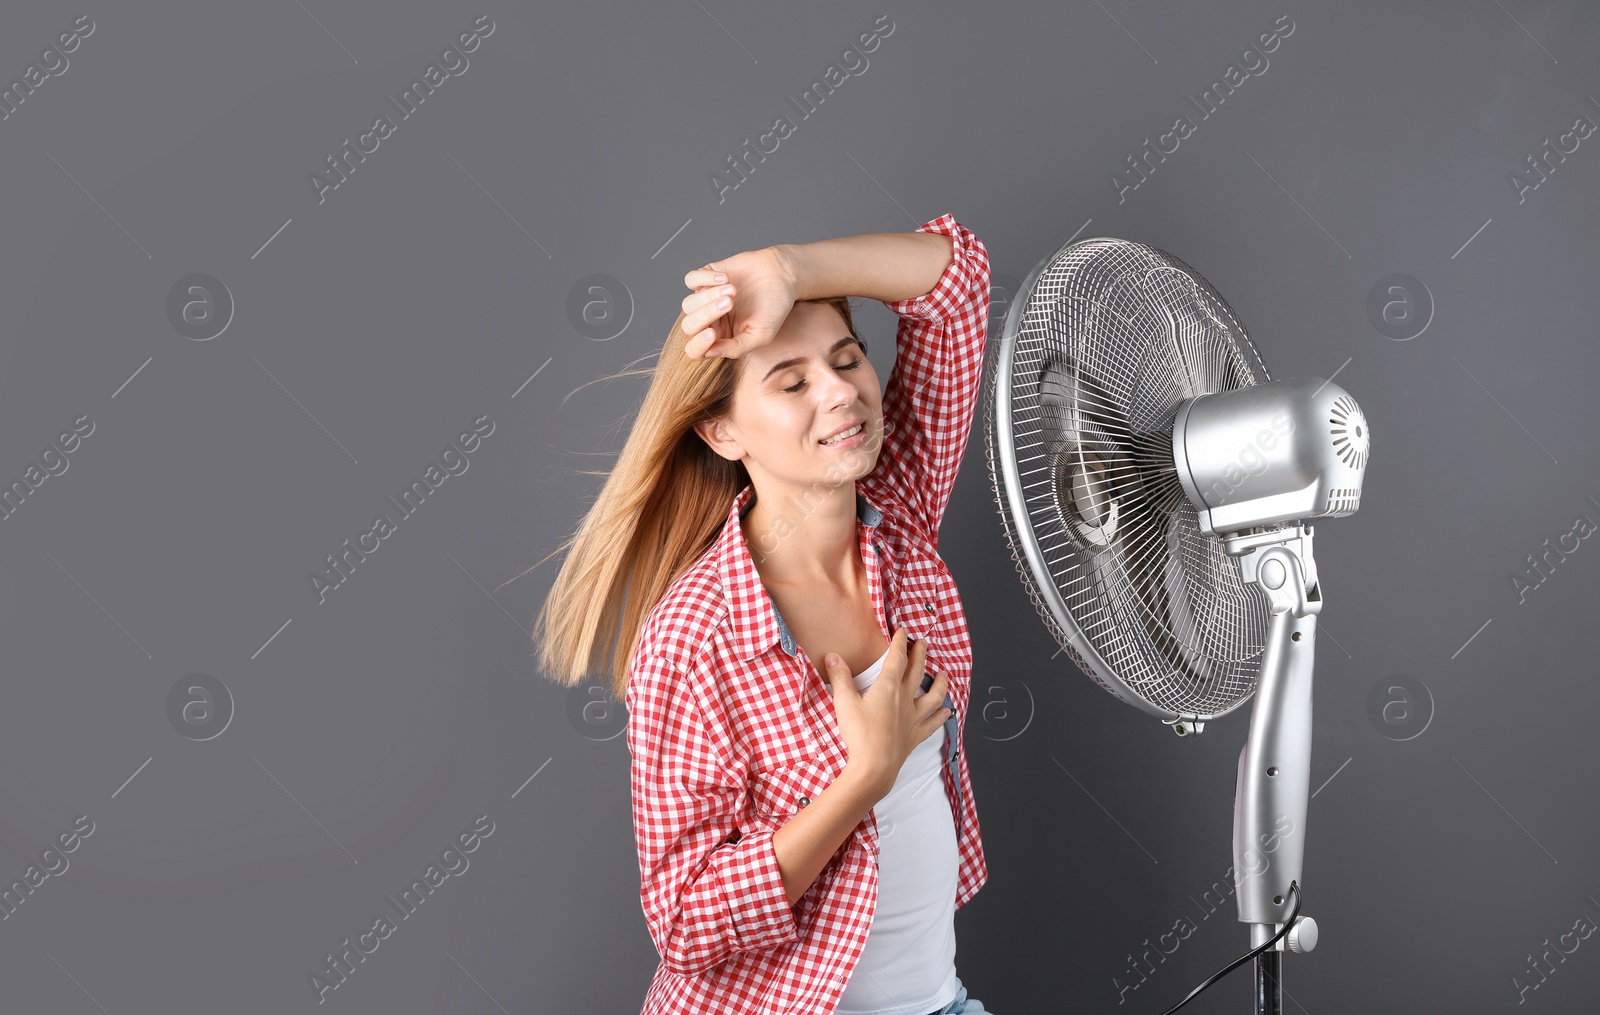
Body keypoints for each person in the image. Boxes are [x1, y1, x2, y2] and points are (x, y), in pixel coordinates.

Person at [533, 213, 995, 1014]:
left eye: (847, 359)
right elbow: (684, 920)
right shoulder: (696, 635)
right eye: (791, 382)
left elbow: (957, 284)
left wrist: (790, 269)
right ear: (721, 429)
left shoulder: (902, 517)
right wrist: (864, 779)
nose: (842, 391)